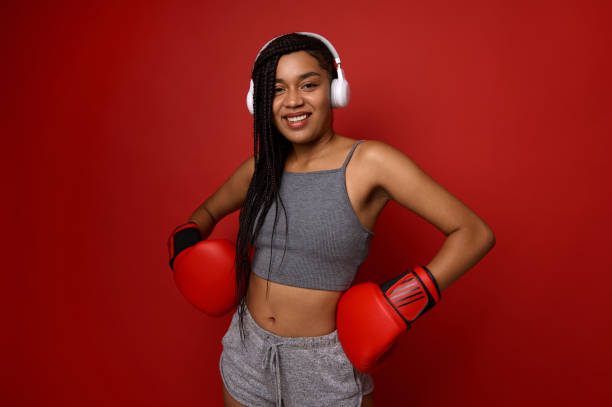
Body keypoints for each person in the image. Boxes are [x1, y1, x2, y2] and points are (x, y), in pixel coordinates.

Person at [179, 32, 495, 407]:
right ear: (260, 101)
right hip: (248, 352)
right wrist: (182, 250)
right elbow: (205, 214)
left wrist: (404, 300)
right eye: (277, 89)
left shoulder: (370, 163)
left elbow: (474, 233)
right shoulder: (260, 169)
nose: (293, 100)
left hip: (324, 364)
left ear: (335, 89)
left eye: (308, 84)